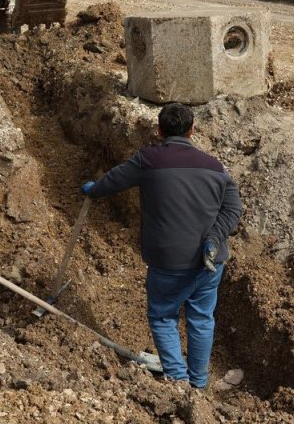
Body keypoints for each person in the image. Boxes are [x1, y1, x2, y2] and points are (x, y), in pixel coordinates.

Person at [80, 103, 243, 390]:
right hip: (210, 262)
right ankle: (198, 384)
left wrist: (94, 189)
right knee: (202, 318)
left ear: (159, 130)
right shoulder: (216, 168)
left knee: (163, 315)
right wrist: (213, 240)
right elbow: (232, 210)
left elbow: (113, 181)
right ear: (192, 131)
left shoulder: (149, 160)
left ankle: (180, 383)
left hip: (169, 260)